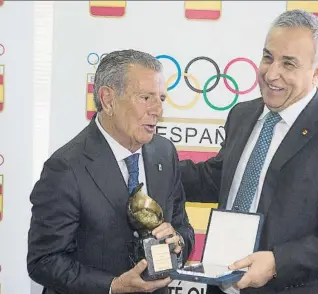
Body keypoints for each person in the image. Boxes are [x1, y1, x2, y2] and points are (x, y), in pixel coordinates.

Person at [179, 9, 318, 294]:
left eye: (289, 64)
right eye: (268, 57)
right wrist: (155, 166)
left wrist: (277, 263)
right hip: (222, 285)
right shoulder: (242, 115)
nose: (272, 73)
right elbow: (218, 180)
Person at [27, 49, 195, 294]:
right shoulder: (65, 167)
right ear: (108, 100)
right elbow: (44, 261)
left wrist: (177, 241)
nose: (158, 110)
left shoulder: (164, 152)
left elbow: (184, 228)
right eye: (146, 97)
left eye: (161, 98)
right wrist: (112, 286)